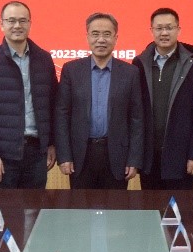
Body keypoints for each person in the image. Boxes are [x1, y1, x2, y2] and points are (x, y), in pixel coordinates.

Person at [0, 1, 58, 188]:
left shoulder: (44, 59)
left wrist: (51, 143)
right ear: (1, 24)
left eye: (22, 21)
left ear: (30, 24)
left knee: (35, 205)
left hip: (37, 153)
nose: (17, 26)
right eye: (11, 21)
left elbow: (52, 105)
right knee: (5, 206)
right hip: (3, 156)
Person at [55, 13, 145, 190]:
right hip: (80, 155)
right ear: (87, 37)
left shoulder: (130, 73)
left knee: (116, 206)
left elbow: (137, 119)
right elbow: (62, 115)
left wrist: (134, 159)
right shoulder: (71, 70)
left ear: (116, 38)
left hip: (117, 156)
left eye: (107, 34)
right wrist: (64, 155)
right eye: (95, 34)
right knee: (80, 206)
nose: (101, 40)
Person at [132, 7, 193, 191]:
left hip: (181, 158)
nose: (164, 33)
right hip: (149, 158)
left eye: (169, 27)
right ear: (151, 31)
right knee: (150, 207)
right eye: (159, 28)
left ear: (178, 30)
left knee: (179, 207)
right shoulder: (139, 64)